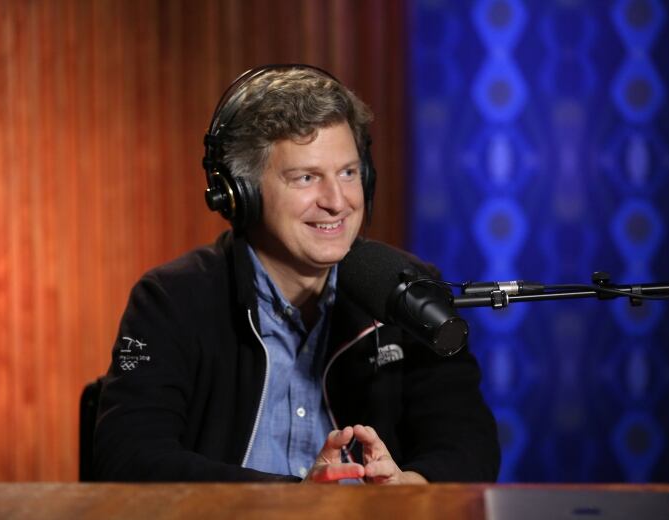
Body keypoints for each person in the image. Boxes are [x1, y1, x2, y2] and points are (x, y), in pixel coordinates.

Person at [93, 65, 500, 483]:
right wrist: (296, 501)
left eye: (348, 172)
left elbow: (468, 440)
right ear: (241, 194)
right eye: (306, 177)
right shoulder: (173, 300)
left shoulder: (406, 288)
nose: (337, 201)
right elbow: (128, 458)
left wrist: (411, 486)